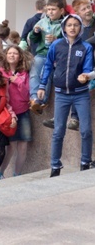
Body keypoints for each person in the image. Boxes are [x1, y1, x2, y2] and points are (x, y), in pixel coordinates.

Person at [43, 14, 93, 176]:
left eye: (76, 25)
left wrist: (85, 76)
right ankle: (55, 166)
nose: (72, 28)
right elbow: (48, 65)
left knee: (85, 130)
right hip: (61, 94)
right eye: (69, 25)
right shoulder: (56, 45)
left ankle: (85, 162)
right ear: (64, 27)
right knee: (58, 131)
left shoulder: (86, 47)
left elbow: (87, 68)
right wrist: (42, 85)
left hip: (81, 94)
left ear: (80, 28)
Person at [0, 45, 32, 178]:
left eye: (15, 53)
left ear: (19, 57)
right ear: (6, 56)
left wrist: (17, 81)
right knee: (10, 147)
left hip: (22, 112)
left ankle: (17, 174)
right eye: (10, 53)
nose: (12, 55)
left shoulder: (24, 73)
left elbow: (26, 95)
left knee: (23, 145)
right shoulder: (1, 72)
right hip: (7, 114)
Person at [28, 0, 65, 114]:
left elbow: (68, 40)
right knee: (34, 71)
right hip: (42, 53)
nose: (50, 12)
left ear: (61, 10)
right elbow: (32, 38)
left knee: (46, 73)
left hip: (56, 56)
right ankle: (34, 99)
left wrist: (56, 39)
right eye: (48, 9)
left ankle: (41, 101)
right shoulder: (42, 21)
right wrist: (35, 32)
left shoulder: (65, 23)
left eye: (53, 9)